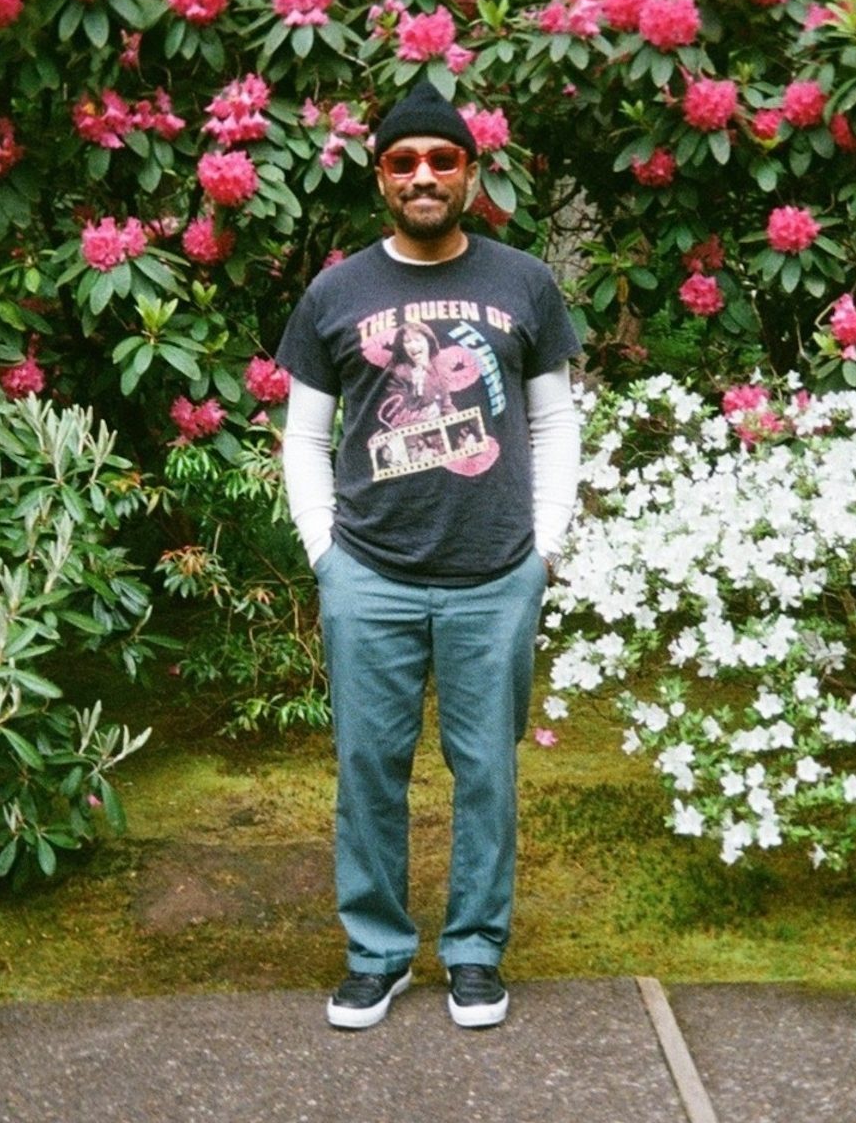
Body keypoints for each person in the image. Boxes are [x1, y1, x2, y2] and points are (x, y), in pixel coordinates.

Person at [276, 80, 582, 1030]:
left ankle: (476, 953)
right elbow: (303, 437)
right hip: (369, 576)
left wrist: (543, 546)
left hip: (495, 577)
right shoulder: (337, 292)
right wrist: (326, 555)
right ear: (380, 177)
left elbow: (556, 420)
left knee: (486, 772)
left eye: (441, 159)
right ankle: (376, 954)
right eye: (403, 161)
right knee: (369, 769)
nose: (423, 175)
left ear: (469, 173)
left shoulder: (522, 282)